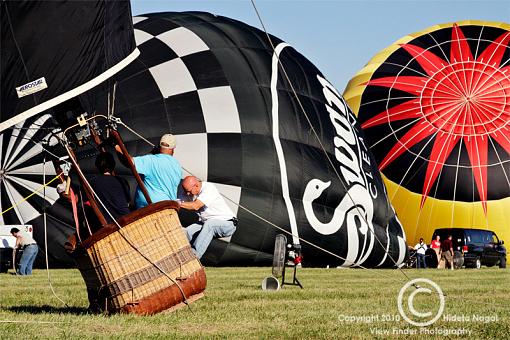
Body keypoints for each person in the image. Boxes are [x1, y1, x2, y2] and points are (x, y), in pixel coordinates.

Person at [116, 134, 182, 208]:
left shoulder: (151, 160)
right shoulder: (177, 166)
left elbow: (129, 162)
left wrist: (117, 147)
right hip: (168, 208)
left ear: (159, 145)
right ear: (173, 148)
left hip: (150, 210)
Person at [179, 176, 237, 259]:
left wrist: (179, 204)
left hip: (228, 223)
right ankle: (178, 257)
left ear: (196, 185)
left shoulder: (209, 188)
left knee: (210, 225)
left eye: (188, 191)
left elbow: (196, 206)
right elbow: (176, 201)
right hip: (207, 223)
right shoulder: (189, 192)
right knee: (187, 232)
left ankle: (194, 257)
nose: (187, 194)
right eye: (185, 191)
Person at [89, 152, 130, 223]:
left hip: (110, 224)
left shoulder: (93, 182)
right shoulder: (122, 181)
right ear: (113, 165)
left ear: (97, 166)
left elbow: (75, 199)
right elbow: (127, 202)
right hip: (127, 219)